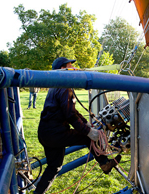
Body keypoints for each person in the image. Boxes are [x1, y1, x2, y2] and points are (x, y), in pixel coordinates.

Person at [34, 57, 121, 194]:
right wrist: (88, 131)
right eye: (70, 66)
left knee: (54, 167)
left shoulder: (56, 85)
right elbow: (70, 115)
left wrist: (85, 122)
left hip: (45, 133)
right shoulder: (64, 87)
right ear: (63, 69)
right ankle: (104, 163)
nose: (74, 69)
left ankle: (38, 193)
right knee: (87, 137)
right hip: (56, 133)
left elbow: (71, 110)